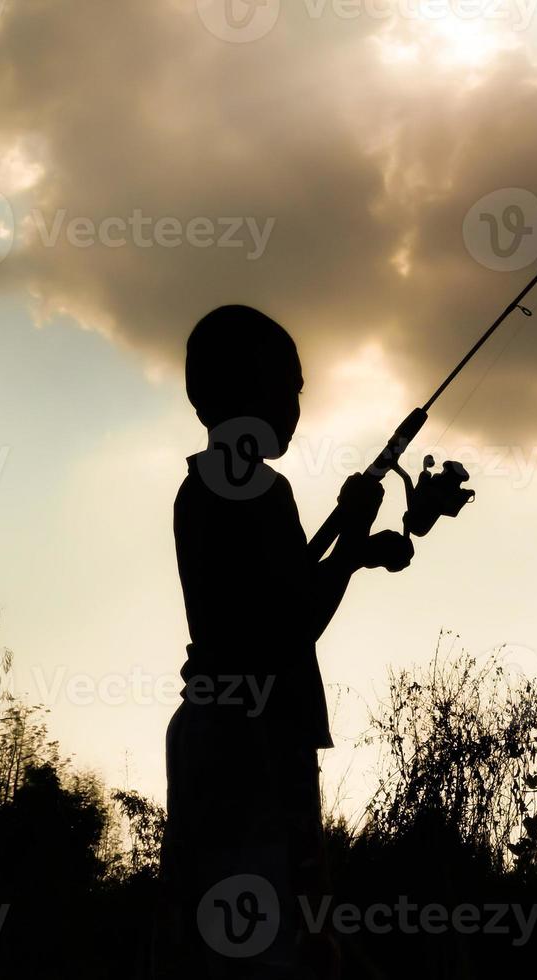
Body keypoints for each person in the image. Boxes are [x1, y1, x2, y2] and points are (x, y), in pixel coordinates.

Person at [153, 305, 413, 978]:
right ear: (252, 385)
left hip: (220, 730)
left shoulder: (207, 486)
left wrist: (353, 553)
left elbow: (280, 605)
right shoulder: (259, 492)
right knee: (277, 952)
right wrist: (351, 545)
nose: (298, 402)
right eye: (290, 385)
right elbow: (287, 629)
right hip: (255, 742)